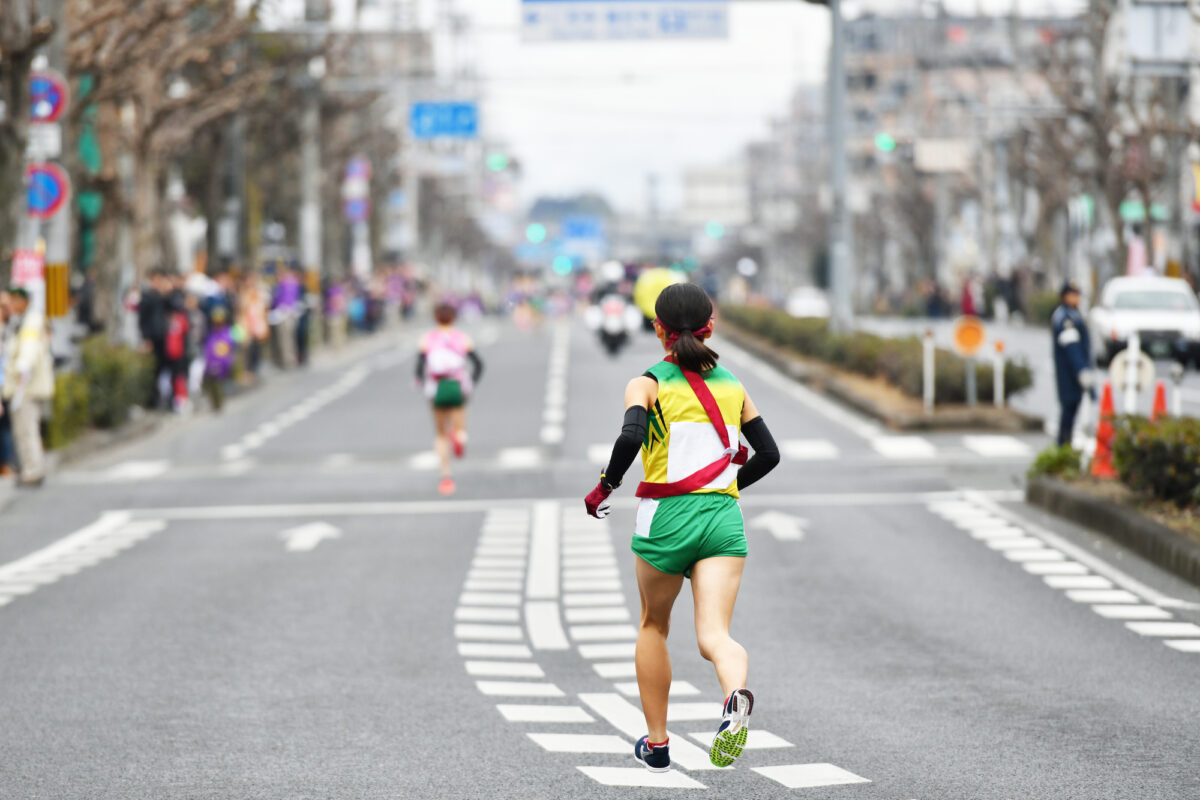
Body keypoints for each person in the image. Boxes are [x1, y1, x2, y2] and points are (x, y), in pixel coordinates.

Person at [583, 283, 780, 773]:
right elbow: (770, 454)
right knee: (715, 634)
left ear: (659, 330)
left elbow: (630, 437)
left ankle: (658, 743)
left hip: (666, 520)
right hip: (722, 520)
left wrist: (605, 487)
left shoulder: (646, 383)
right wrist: (727, 486)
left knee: (654, 624)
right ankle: (735, 696)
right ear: (710, 327)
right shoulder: (734, 385)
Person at [416, 302, 483, 496]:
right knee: (460, 425)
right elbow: (478, 364)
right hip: (458, 385)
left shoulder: (427, 339)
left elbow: (419, 368)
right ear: (453, 318)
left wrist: (422, 383)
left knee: (440, 434)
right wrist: (471, 382)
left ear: (436, 317)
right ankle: (459, 437)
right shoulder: (462, 338)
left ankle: (446, 476)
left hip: (436, 387)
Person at [2, 287, 53, 487]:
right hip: (23, 386)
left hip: (26, 386)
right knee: (25, 429)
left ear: (24, 301)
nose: (12, 306)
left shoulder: (30, 320)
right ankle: (31, 469)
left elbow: (28, 353)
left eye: (15, 300)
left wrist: (19, 370)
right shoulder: (20, 321)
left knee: (26, 429)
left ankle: (33, 471)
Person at [1051, 278, 1093, 446]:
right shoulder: (1065, 317)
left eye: (1077, 294)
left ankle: (1064, 446)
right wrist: (1081, 370)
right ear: (1064, 296)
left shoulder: (1073, 314)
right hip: (1068, 372)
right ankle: (1062, 447)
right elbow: (1072, 347)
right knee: (1068, 410)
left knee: (1072, 409)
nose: (1076, 298)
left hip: (1073, 372)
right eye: (1072, 294)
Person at [202, 307, 235, 412]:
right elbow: (208, 347)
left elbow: (227, 348)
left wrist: (224, 362)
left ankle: (219, 404)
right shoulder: (211, 333)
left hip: (221, 363)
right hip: (211, 362)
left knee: (218, 384)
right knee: (210, 384)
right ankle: (215, 404)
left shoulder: (226, 333)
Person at [0, 289, 14, 477]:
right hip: (3, 385)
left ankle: (6, 464)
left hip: (10, 385)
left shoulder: (11, 326)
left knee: (6, 425)